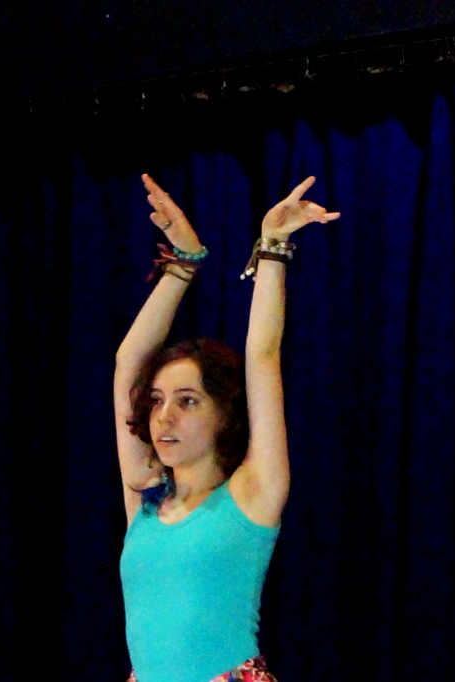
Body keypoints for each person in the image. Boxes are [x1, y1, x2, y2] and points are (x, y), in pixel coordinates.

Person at [114, 175, 339, 682]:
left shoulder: (253, 494)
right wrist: (182, 265)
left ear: (225, 414)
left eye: (188, 401)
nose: (164, 417)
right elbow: (129, 363)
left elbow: (262, 355)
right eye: (157, 401)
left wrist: (273, 249)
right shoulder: (145, 496)